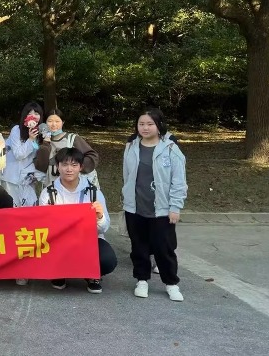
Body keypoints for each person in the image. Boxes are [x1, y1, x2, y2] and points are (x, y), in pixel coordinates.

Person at [123, 108, 187, 302]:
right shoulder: (131, 146)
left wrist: (175, 207)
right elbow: (127, 175)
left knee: (163, 247)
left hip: (162, 209)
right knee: (139, 246)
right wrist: (126, 199)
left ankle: (171, 283)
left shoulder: (170, 149)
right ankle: (141, 280)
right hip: (135, 207)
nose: (145, 128)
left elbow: (179, 181)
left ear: (159, 126)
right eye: (141, 124)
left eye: (150, 124)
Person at [39, 148, 117, 294]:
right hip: (59, 240)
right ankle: (59, 273)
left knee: (107, 259)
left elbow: (104, 228)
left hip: (89, 239)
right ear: (57, 166)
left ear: (81, 167)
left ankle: (92, 275)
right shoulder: (48, 193)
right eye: (64, 164)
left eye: (74, 165)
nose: (69, 169)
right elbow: (43, 228)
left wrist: (100, 217)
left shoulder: (93, 192)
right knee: (41, 250)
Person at [35, 108, 100, 188]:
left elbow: (92, 155)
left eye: (57, 121)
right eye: (50, 121)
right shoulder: (42, 143)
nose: (53, 124)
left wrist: (77, 167)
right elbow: (41, 167)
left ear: (63, 122)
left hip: (73, 187)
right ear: (45, 123)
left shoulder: (72, 139)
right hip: (52, 188)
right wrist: (46, 143)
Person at [2, 102, 44, 208]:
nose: (33, 116)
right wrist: (30, 139)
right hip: (12, 178)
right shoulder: (17, 130)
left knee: (28, 211)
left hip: (28, 179)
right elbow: (18, 154)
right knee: (11, 210)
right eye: (29, 113)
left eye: (36, 113)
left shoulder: (42, 133)